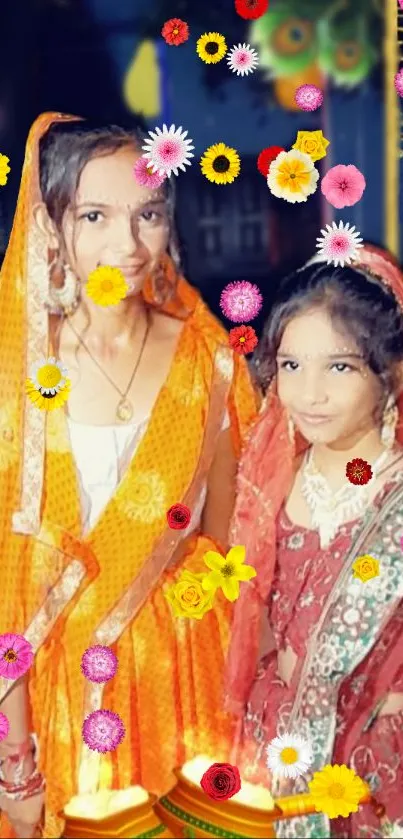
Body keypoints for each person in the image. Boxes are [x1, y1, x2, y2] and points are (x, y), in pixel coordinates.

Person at [0, 112, 259, 839]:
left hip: (182, 685)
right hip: (45, 696)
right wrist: (16, 763)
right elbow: (5, 575)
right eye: (94, 215)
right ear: (52, 227)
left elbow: (231, 548)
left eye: (147, 213)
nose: (128, 243)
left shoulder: (209, 362)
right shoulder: (14, 372)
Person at [225, 246, 403, 838]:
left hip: (376, 758)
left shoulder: (393, 493)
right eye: (292, 366)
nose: (309, 393)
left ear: (389, 372)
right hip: (278, 745)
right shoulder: (274, 482)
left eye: (340, 367)